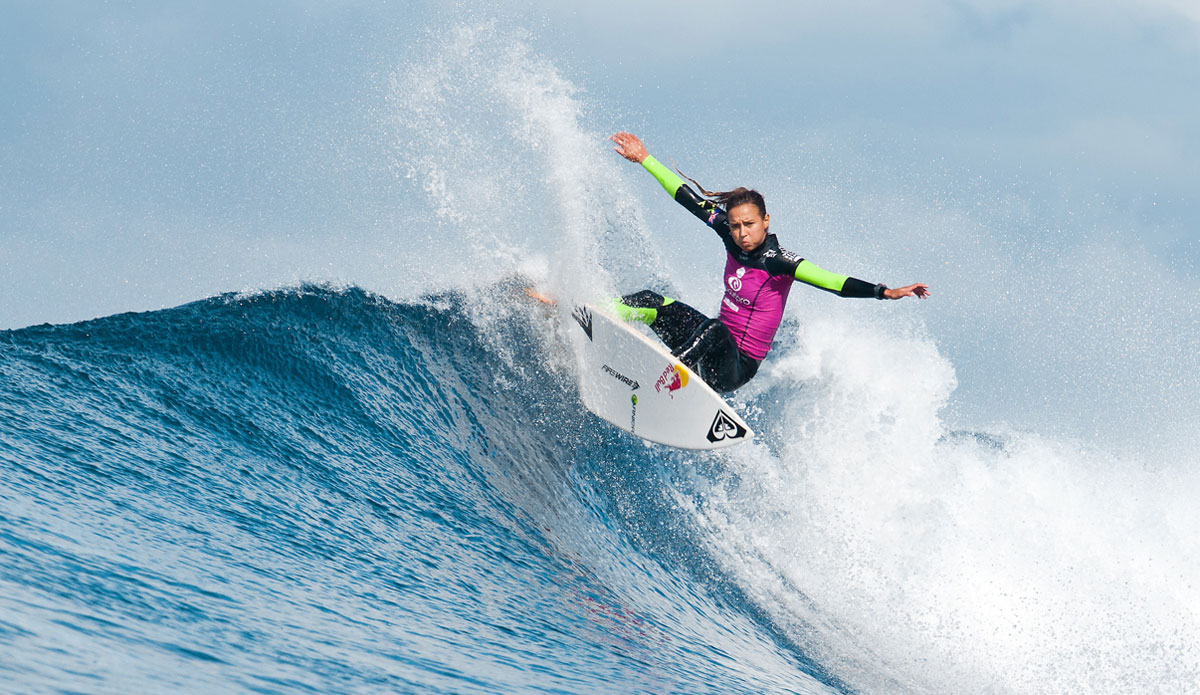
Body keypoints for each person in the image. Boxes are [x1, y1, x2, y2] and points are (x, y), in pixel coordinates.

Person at [608, 131, 930, 393]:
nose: (742, 233)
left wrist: (885, 292)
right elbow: (688, 198)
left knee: (716, 329)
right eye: (735, 226)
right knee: (652, 302)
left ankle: (662, 383)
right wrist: (645, 159)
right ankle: (578, 309)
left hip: (735, 368)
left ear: (765, 221)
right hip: (706, 348)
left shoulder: (779, 262)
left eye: (749, 225)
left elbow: (833, 282)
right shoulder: (728, 232)